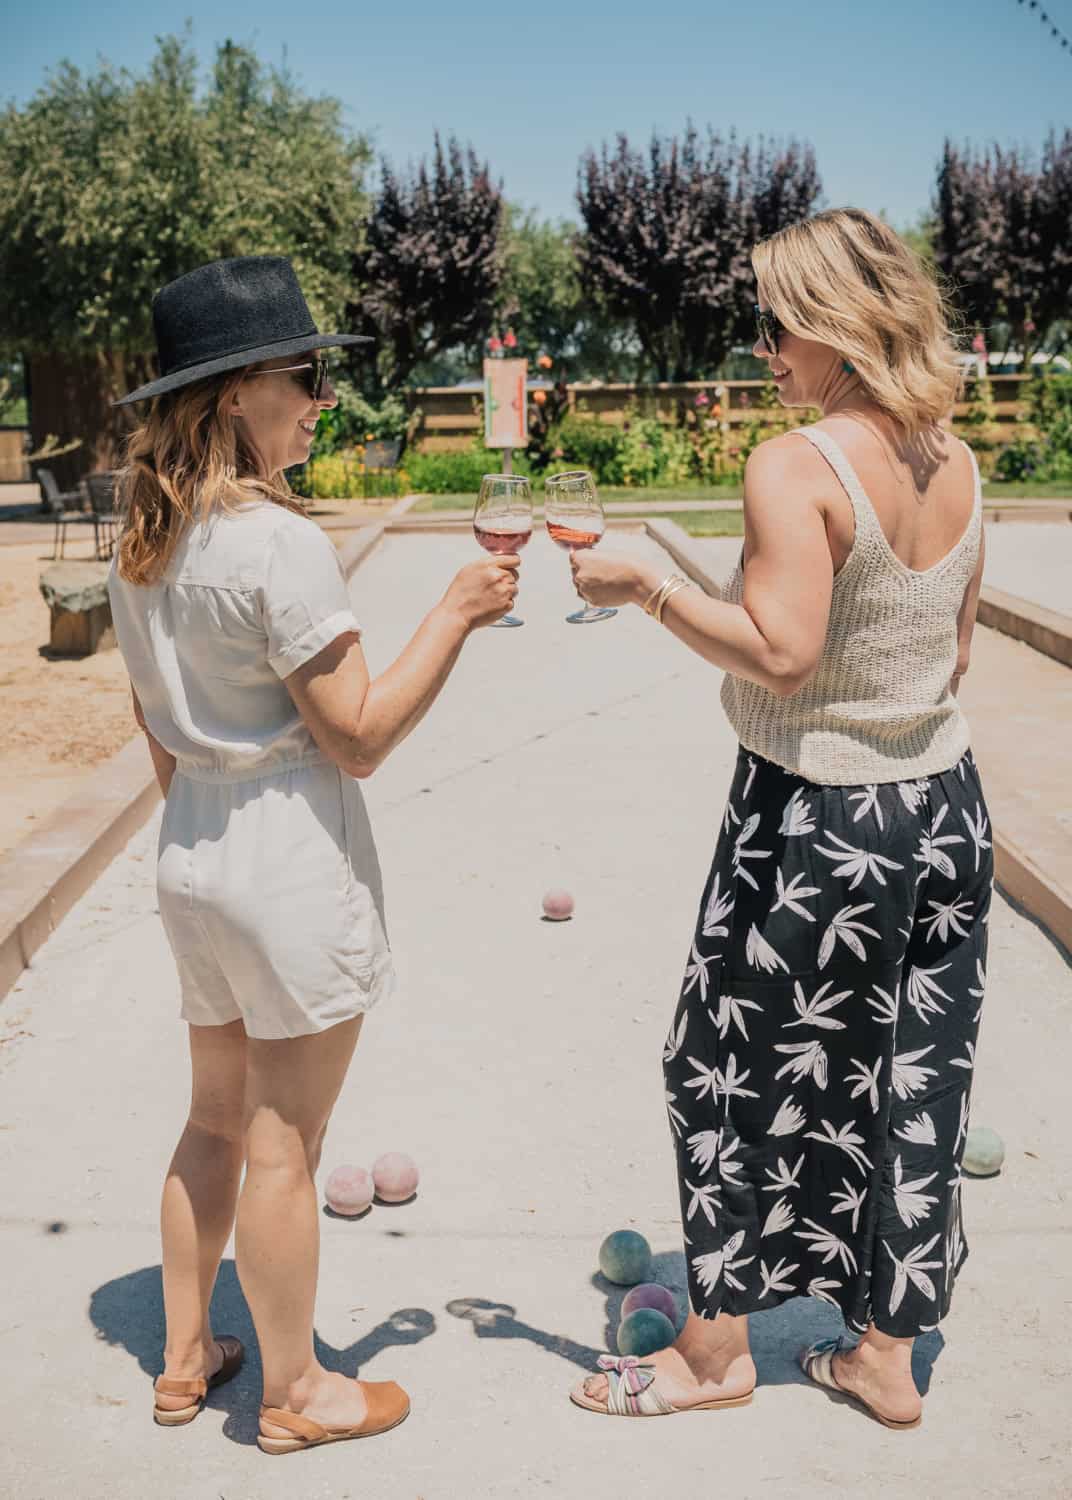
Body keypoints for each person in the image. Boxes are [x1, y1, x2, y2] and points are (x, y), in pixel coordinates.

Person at [567, 208, 991, 1429]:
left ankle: (713, 1353)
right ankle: (885, 1357)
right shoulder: (957, 461)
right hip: (944, 808)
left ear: (832, 326)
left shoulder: (795, 463)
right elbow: (952, 653)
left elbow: (783, 654)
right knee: (916, 1076)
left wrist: (649, 585)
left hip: (815, 821)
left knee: (724, 1066)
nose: (763, 350)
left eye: (771, 324)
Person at [107, 256, 519, 1455]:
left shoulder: (149, 535)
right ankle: (298, 1390)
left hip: (190, 844)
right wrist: (454, 612)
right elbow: (360, 735)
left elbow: (150, 720)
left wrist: (203, 826)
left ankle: (185, 1362)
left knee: (211, 1120)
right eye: (306, 378)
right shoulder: (274, 544)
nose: (322, 402)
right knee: (289, 1140)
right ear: (237, 394)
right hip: (285, 852)